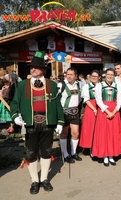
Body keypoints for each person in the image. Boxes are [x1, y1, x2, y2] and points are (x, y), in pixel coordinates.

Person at [10, 51, 64, 194]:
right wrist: (15, 116)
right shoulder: (22, 85)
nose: (32, 69)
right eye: (31, 67)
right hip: (30, 124)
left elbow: (58, 104)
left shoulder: (52, 85)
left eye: (36, 67)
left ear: (44, 70)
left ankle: (44, 179)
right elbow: (15, 103)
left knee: (46, 151)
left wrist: (60, 122)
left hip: (48, 123)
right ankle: (35, 180)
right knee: (31, 153)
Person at [92, 68, 121, 166]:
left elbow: (119, 100)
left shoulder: (117, 86)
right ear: (105, 75)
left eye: (112, 75)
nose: (110, 76)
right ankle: (105, 155)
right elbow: (98, 100)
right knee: (104, 134)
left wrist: (114, 111)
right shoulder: (99, 85)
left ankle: (111, 155)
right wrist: (107, 111)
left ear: (114, 76)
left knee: (113, 134)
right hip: (104, 111)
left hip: (114, 111)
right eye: (108, 74)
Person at [58, 67, 82, 163]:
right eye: (68, 74)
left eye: (71, 74)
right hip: (65, 112)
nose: (69, 76)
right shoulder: (61, 85)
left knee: (75, 133)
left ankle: (73, 152)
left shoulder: (79, 84)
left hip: (75, 112)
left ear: (75, 76)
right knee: (64, 133)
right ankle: (65, 154)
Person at [79, 70, 101, 154]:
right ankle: (90, 147)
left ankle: (98, 146)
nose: (94, 78)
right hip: (91, 108)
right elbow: (86, 99)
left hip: (100, 107)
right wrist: (94, 109)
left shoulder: (101, 86)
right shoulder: (86, 87)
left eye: (96, 76)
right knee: (90, 127)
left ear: (99, 77)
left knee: (99, 128)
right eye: (92, 76)